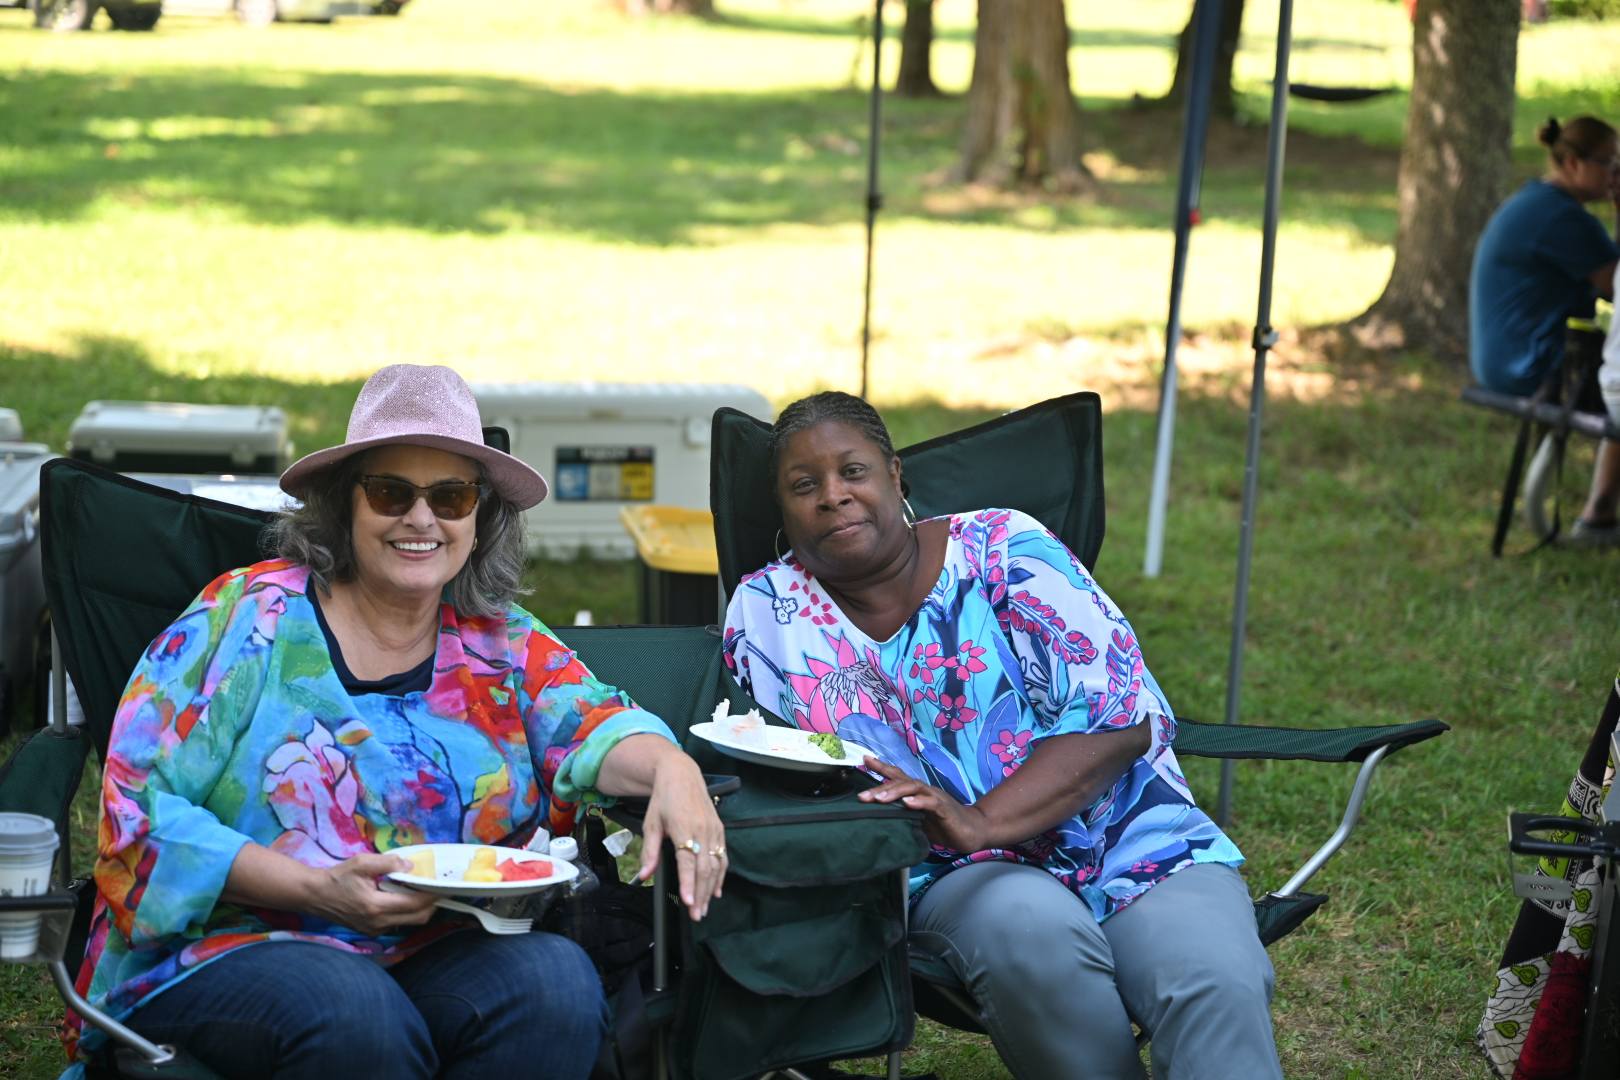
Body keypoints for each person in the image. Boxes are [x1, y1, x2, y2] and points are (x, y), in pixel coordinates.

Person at [64, 364, 727, 1080]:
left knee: (556, 987)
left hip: (433, 950)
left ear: (479, 517)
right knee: (355, 1011)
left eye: (450, 495)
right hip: (226, 947)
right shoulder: (247, 619)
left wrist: (673, 768)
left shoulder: (497, 641)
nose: (421, 518)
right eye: (390, 492)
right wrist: (316, 889)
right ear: (341, 506)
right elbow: (136, 815)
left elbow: (596, 726)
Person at [720, 392, 1280, 1080]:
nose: (833, 497)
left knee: (1214, 978)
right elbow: (790, 769)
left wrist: (981, 817)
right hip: (953, 872)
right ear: (783, 510)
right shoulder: (766, 613)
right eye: (805, 486)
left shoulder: (1003, 547)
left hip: (1127, 833)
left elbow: (1119, 719)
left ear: (897, 476)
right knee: (1032, 938)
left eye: (853, 472)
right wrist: (949, 832)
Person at [1470, 115, 1620, 544]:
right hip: (1530, 368)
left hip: (1505, 360)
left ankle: (1600, 513)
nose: (1615, 175)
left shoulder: (1539, 202)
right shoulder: (1562, 219)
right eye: (1609, 164)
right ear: (1572, 163)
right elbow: (1617, 286)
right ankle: (1599, 513)